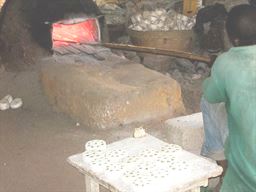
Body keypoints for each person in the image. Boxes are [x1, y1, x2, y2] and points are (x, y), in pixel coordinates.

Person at [201, 4, 256, 191]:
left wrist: (215, 71)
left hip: (247, 180)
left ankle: (218, 164)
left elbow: (209, 94)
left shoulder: (226, 63)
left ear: (233, 38)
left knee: (209, 101)